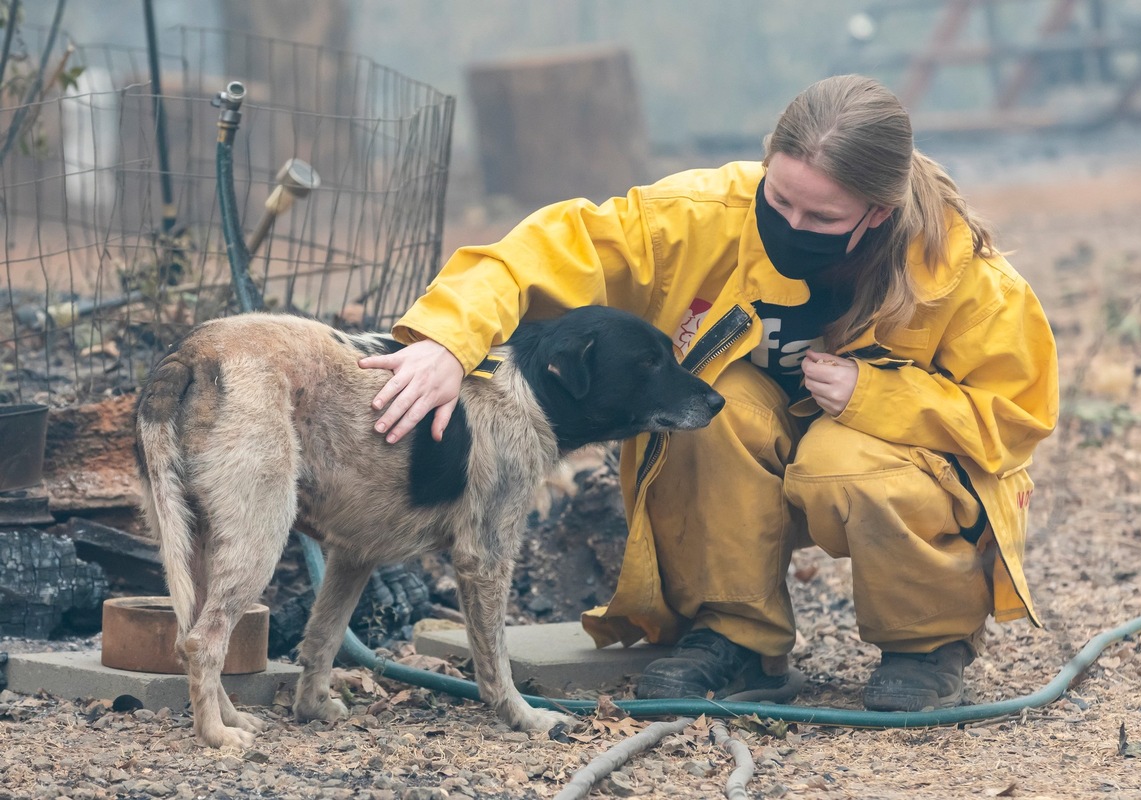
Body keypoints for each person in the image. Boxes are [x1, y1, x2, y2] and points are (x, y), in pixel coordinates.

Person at [358, 74, 1059, 711]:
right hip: (757, 434)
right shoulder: (698, 217)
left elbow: (1019, 413)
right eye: (779, 200)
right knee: (704, 409)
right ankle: (738, 637)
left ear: (877, 213)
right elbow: (538, 252)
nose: (791, 225)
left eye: (820, 220)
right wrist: (447, 343)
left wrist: (877, 397)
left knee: (844, 464)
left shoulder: (956, 270)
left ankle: (927, 641)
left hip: (880, 455)